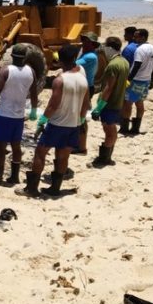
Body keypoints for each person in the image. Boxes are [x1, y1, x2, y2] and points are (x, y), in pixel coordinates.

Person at [18, 44, 89, 198]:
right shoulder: (83, 80)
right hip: (73, 125)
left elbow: (53, 105)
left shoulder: (60, 80)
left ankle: (31, 188)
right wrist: (81, 120)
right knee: (63, 156)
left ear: (61, 61)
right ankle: (55, 188)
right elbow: (85, 104)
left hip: (57, 124)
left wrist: (42, 120)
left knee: (40, 152)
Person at [0, 44, 39, 186]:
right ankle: (14, 176)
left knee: (1, 147)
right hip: (19, 116)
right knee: (16, 146)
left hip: (4, 115)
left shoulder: (6, 71)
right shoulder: (31, 71)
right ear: (26, 57)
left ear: (12, 56)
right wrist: (33, 110)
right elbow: (34, 93)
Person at [91, 37, 128, 167]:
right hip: (118, 102)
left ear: (110, 48)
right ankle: (107, 156)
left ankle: (104, 158)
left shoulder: (113, 65)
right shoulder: (124, 62)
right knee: (112, 130)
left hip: (109, 104)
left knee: (109, 131)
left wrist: (99, 107)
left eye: (106, 47)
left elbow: (109, 87)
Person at [120, 28, 153, 136]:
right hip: (145, 80)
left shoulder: (139, 49)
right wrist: (152, 81)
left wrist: (128, 79)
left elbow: (136, 65)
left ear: (143, 37)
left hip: (136, 80)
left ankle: (125, 128)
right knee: (140, 103)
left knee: (128, 103)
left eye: (136, 36)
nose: (134, 38)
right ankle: (136, 128)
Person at [73, 32, 100, 154]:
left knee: (81, 117)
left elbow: (73, 65)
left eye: (86, 40)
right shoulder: (86, 54)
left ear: (92, 44)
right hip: (85, 87)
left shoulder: (90, 57)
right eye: (83, 39)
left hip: (86, 88)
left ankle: (81, 147)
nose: (83, 42)